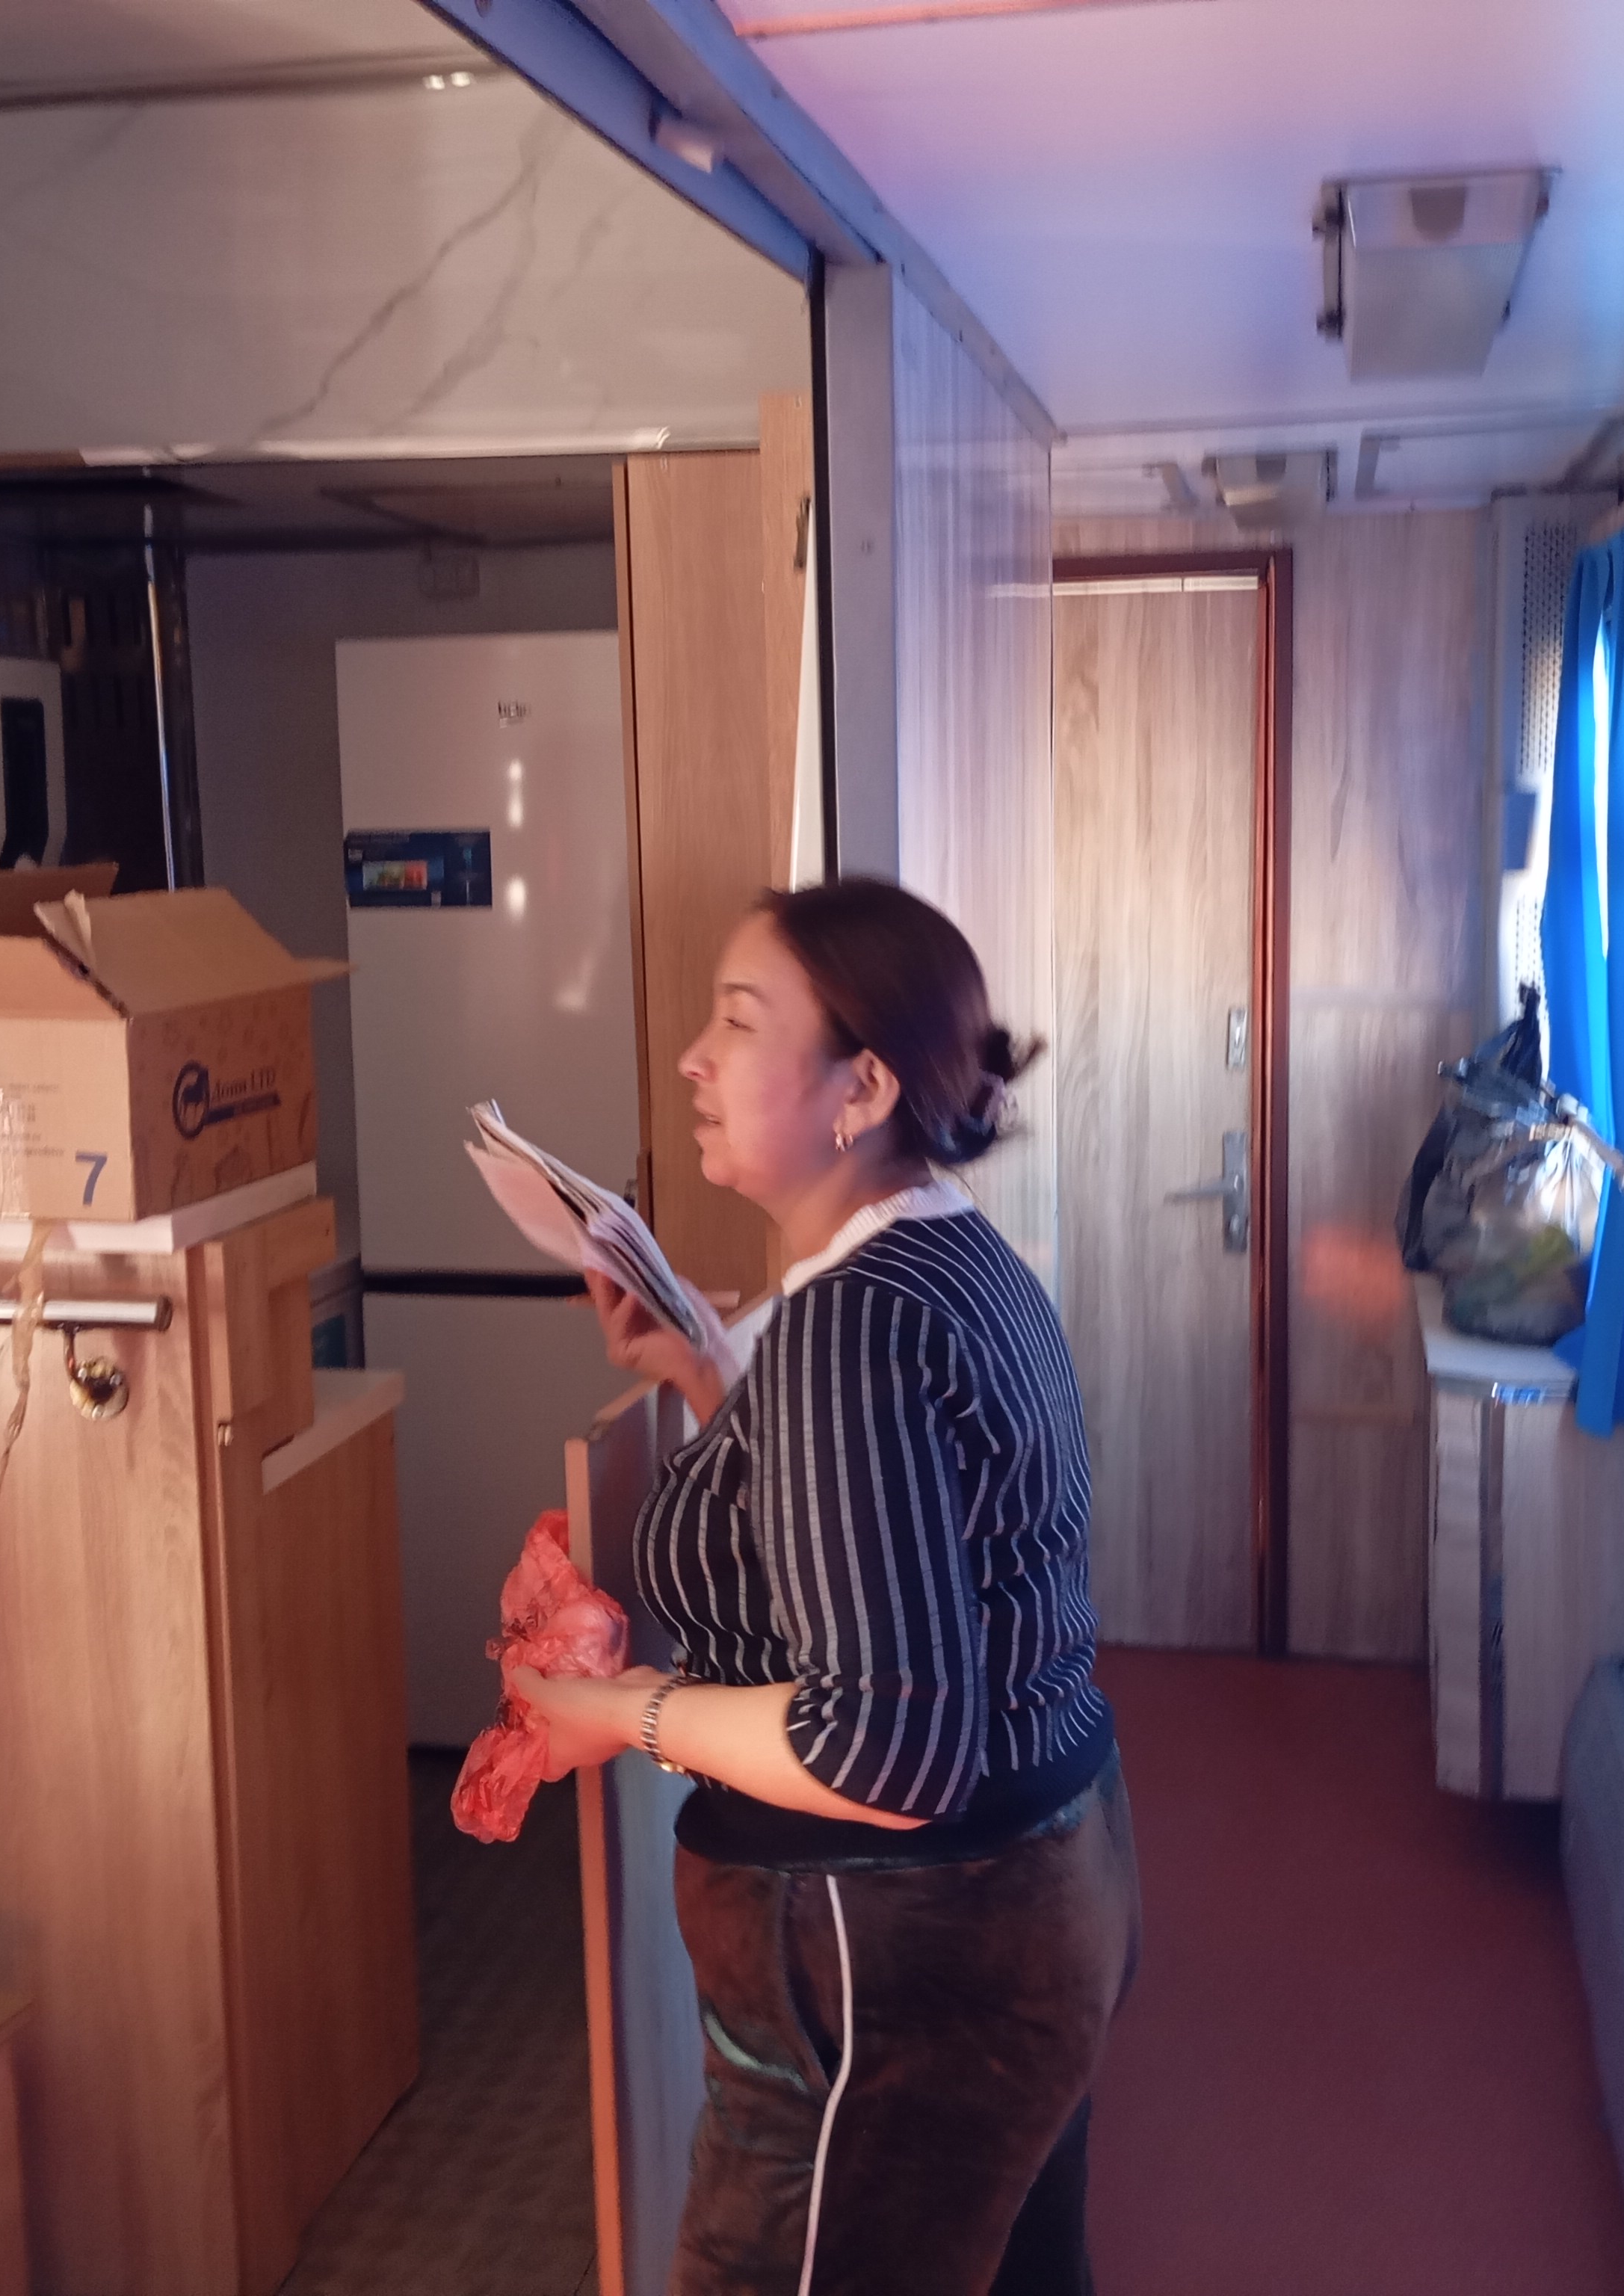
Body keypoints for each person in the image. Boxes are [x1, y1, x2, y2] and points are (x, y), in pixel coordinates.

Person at [508, 879, 1139, 2296]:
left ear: (863, 1088)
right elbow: (889, 1530)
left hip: (900, 1956)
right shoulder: (950, 1261)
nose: (695, 1058)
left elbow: (883, 1747)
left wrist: (618, 1711)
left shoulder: (850, 1331)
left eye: (740, 1022)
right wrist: (709, 1372)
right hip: (1034, 1891)